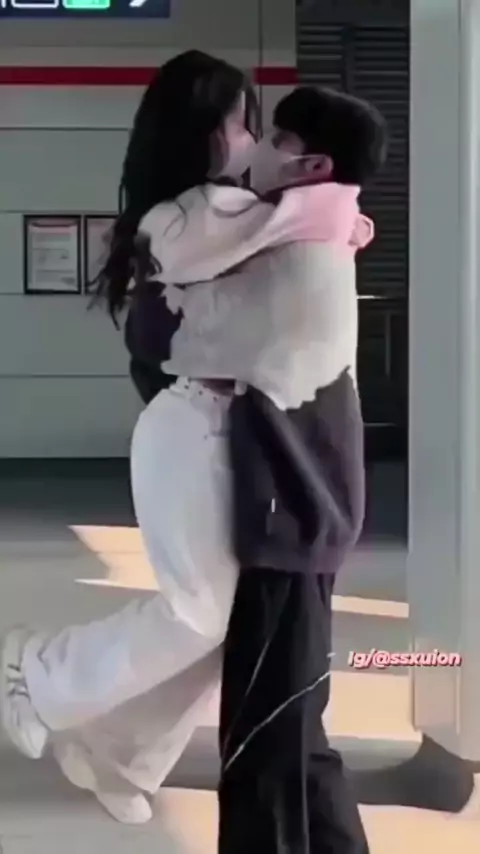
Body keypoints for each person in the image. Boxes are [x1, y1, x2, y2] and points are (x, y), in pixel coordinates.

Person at [0, 51, 375, 837]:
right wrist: (322, 210)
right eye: (243, 125)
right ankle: (33, 674)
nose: (254, 143)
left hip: (232, 435)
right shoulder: (193, 216)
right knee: (203, 617)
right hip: (193, 428)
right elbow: (193, 305)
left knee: (223, 626)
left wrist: (323, 214)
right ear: (201, 133)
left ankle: (116, 751)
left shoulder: (247, 213)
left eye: (264, 130)